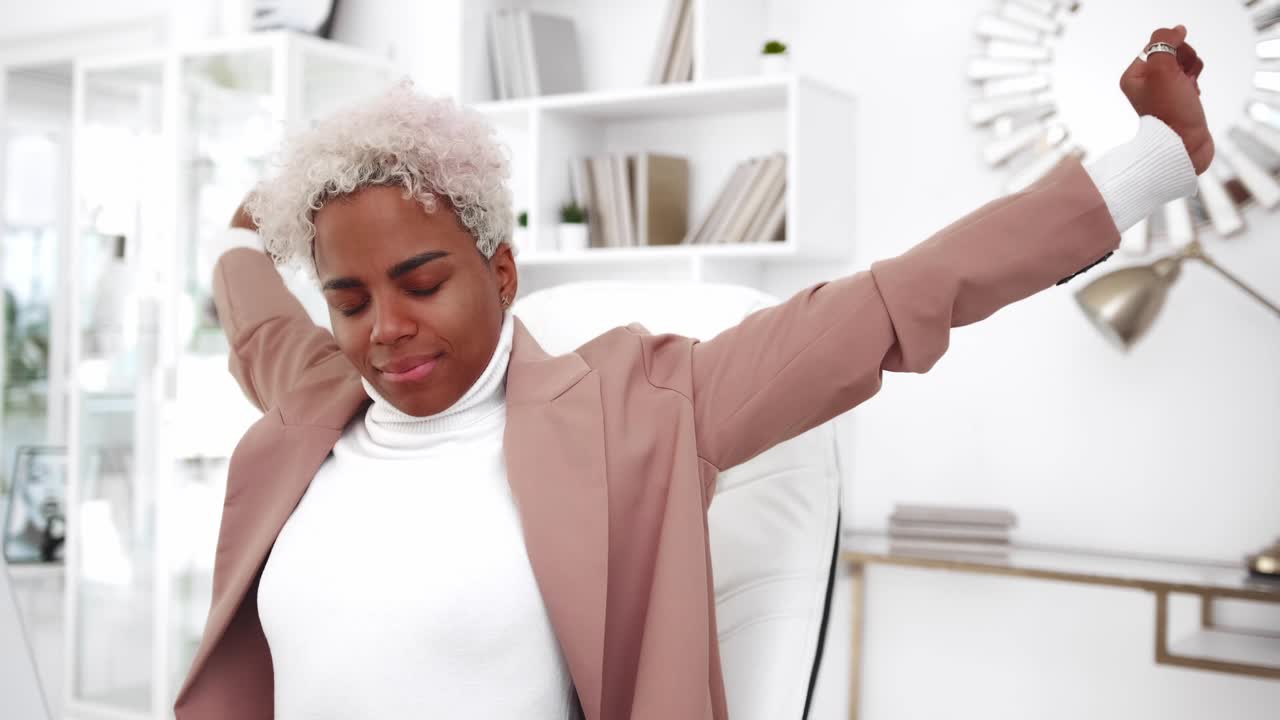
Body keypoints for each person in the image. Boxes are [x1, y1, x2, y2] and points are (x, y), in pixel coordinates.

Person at [174, 26, 1210, 720]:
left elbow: (898, 298)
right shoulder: (314, 401)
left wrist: (1146, 160)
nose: (384, 329)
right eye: (348, 300)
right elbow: (251, 306)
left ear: (500, 269)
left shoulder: (639, 406)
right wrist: (247, 225)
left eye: (420, 282)